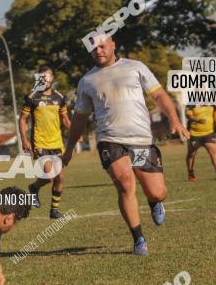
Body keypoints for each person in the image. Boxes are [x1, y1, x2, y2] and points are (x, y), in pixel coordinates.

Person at [61, 35, 189, 256]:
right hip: (110, 140)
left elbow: (158, 95)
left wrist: (175, 120)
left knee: (157, 192)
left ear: (113, 45)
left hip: (140, 141)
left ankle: (154, 202)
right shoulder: (87, 81)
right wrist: (69, 149)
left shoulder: (135, 67)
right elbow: (80, 119)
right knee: (125, 183)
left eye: (102, 46)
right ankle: (139, 238)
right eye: (93, 48)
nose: (98, 51)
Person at [19, 65, 71, 219]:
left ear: (52, 78)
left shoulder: (60, 98)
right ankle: (34, 188)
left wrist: (76, 132)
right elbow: (22, 119)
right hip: (40, 142)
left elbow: (66, 120)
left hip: (57, 143)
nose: (45, 79)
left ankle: (54, 210)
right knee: (50, 175)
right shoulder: (32, 97)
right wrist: (24, 139)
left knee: (59, 177)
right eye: (42, 76)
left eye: (47, 76)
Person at [185, 105, 216, 181]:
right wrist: (197, 120)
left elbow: (215, 117)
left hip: (209, 134)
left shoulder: (212, 103)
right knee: (191, 154)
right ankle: (191, 173)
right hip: (194, 134)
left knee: (214, 152)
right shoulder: (191, 104)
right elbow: (189, 116)